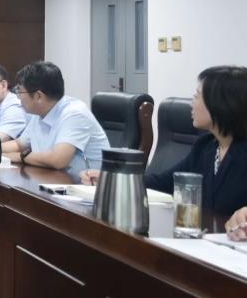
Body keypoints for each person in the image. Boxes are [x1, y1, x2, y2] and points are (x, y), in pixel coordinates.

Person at [82, 66, 247, 218]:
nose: (192, 103)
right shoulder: (206, 146)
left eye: (197, 96)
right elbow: (165, 182)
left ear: (221, 104)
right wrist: (112, 179)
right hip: (204, 235)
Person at [2, 61, 108, 176]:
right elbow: (19, 144)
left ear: (38, 96)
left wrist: (21, 157)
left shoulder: (74, 113)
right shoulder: (39, 113)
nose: (18, 97)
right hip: (52, 179)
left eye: (20, 91)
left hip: (85, 184)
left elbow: (58, 160)